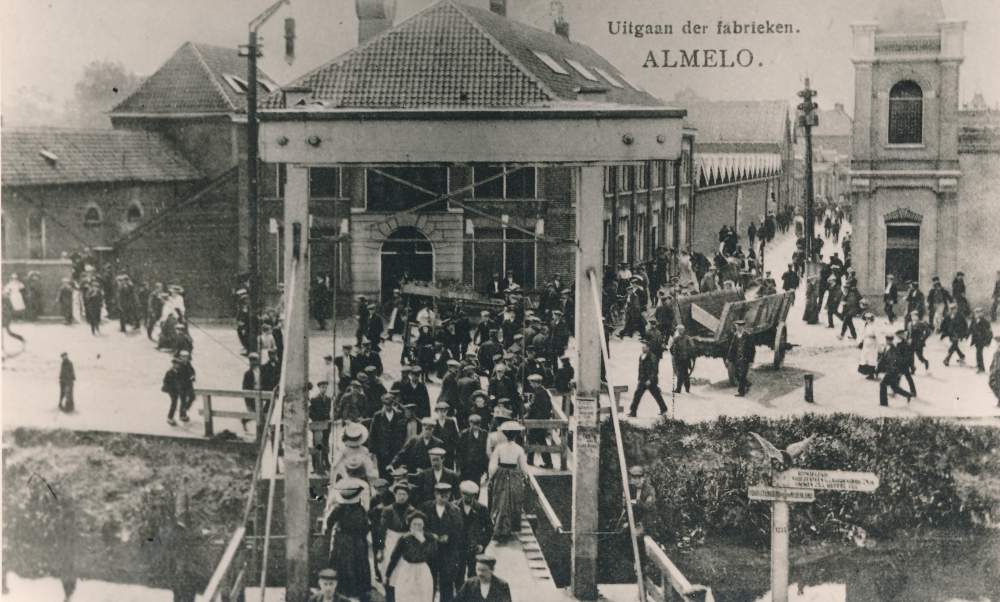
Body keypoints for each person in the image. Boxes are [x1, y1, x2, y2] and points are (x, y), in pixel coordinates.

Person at [323, 478, 372, 601]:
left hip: (342, 540)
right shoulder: (360, 509)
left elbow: (329, 523)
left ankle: (343, 590)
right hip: (358, 541)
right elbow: (366, 527)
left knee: (342, 565)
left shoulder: (338, 509)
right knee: (359, 565)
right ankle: (359, 591)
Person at [419, 482, 464, 602]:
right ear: (435, 494)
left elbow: (459, 531)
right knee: (429, 581)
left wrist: (449, 538)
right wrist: (430, 535)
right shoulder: (426, 507)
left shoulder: (455, 510)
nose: (444, 498)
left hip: (447, 552)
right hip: (429, 550)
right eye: (441, 495)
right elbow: (420, 527)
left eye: (446, 496)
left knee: (447, 583)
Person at [488, 421, 528, 542]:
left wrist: (491, 476)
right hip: (514, 474)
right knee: (512, 500)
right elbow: (523, 466)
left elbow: (493, 464)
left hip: (501, 473)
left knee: (500, 499)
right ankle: (508, 528)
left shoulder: (499, 447)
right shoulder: (519, 449)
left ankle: (498, 528)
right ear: (516, 435)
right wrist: (525, 477)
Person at [385, 510, 438, 602]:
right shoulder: (404, 538)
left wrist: (422, 540)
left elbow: (432, 553)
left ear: (423, 526)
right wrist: (387, 575)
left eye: (419, 525)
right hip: (407, 570)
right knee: (405, 595)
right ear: (410, 525)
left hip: (422, 570)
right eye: (414, 524)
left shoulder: (429, 538)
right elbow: (394, 557)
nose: (416, 527)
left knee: (422, 596)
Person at [456, 482, 493, 580]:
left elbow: (489, 528)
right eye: (465, 494)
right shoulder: (453, 507)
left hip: (475, 547)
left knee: (474, 576)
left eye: (470, 495)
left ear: (474, 495)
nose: (467, 497)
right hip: (458, 547)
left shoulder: (481, 509)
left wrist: (482, 544)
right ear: (460, 493)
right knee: (458, 575)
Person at [370, 393, 409, 478]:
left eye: (390, 404)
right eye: (386, 404)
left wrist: (401, 446)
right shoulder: (378, 415)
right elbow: (373, 433)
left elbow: (403, 432)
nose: (388, 407)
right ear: (383, 404)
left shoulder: (399, 414)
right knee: (383, 474)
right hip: (382, 452)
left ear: (393, 403)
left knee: (395, 474)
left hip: (395, 451)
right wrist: (373, 451)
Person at [627, 341, 668, 416]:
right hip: (642, 380)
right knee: (637, 395)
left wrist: (650, 380)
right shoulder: (641, 355)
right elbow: (640, 368)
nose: (642, 348)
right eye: (642, 347)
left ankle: (664, 409)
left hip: (650, 380)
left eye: (644, 347)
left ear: (648, 348)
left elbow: (655, 370)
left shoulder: (652, 356)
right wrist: (639, 378)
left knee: (656, 395)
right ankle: (633, 412)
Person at [242, 352, 279, 431]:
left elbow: (269, 381)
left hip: (265, 395)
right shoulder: (248, 374)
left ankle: (266, 430)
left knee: (266, 413)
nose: (253, 362)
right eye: (251, 360)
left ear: (258, 360)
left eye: (255, 360)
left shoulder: (264, 370)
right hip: (254, 397)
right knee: (257, 414)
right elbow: (245, 388)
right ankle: (245, 420)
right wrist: (248, 403)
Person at [524, 374, 553, 469]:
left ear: (536, 382)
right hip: (542, 420)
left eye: (531, 382)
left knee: (536, 440)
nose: (530, 384)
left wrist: (526, 410)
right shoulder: (544, 391)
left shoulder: (537, 392)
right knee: (536, 439)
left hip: (537, 420)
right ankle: (531, 460)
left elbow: (533, 407)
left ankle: (546, 462)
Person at [877, 334, 913, 406]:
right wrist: (878, 367)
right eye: (887, 340)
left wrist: (898, 371)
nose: (888, 342)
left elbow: (896, 361)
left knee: (882, 384)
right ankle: (908, 395)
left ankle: (883, 403)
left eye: (889, 340)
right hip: (892, 370)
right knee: (894, 387)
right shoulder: (886, 348)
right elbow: (883, 359)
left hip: (893, 370)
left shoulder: (894, 349)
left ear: (891, 341)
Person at [309, 381, 334, 475]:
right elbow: (311, 412)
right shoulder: (314, 399)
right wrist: (317, 420)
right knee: (317, 444)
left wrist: (328, 419)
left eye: (325, 387)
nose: (324, 389)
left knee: (326, 443)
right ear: (319, 388)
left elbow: (328, 411)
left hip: (326, 425)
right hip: (317, 426)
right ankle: (315, 465)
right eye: (322, 387)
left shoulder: (328, 399)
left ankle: (326, 462)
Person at [727, 320, 756, 397]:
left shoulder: (748, 336)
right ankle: (747, 383)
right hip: (737, 358)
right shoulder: (735, 336)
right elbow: (732, 348)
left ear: (743, 327)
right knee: (736, 374)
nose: (739, 328)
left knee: (743, 375)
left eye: (741, 326)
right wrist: (729, 359)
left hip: (745, 359)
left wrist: (751, 360)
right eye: (738, 326)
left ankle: (741, 392)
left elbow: (752, 349)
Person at [162, 358, 187, 426]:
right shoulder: (170, 372)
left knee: (182, 401)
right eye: (176, 364)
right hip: (171, 390)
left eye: (179, 364)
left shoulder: (178, 371)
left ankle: (181, 415)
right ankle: (170, 418)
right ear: (173, 364)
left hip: (177, 389)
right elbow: (166, 381)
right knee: (174, 403)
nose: (178, 365)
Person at [669, 325, 694, 394]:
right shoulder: (688, 338)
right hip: (686, 359)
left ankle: (678, 389)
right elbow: (692, 348)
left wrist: (674, 356)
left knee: (680, 374)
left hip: (679, 359)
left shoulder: (676, 339)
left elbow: (671, 349)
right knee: (685, 374)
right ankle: (687, 389)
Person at [969, 308, 994, 373]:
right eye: (976, 313)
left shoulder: (985, 321)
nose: (977, 314)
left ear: (982, 313)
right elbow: (970, 329)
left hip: (982, 340)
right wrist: (966, 336)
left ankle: (981, 368)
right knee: (978, 353)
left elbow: (990, 333)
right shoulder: (974, 320)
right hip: (976, 340)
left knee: (979, 353)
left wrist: (988, 341)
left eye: (979, 312)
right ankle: (979, 365)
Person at [858, 313, 880, 380]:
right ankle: (866, 372)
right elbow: (862, 333)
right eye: (867, 319)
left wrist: (880, 344)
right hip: (866, 342)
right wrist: (860, 340)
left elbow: (878, 335)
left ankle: (871, 374)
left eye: (869, 319)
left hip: (872, 343)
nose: (868, 320)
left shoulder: (874, 326)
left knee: (871, 357)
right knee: (865, 357)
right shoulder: (866, 325)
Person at [990, 334, 1000, 406]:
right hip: (996, 370)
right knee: (991, 383)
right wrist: (992, 366)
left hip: (998, 370)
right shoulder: (998, 348)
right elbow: (995, 358)